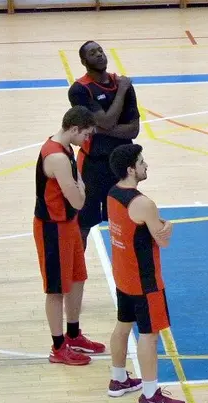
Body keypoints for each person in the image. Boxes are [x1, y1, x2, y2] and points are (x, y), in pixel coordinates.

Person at [105, 144, 186, 403]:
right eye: (141, 162)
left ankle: (118, 379)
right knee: (149, 335)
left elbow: (139, 225)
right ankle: (150, 395)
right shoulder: (144, 203)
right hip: (145, 280)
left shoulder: (113, 194)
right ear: (131, 169)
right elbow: (163, 240)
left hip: (123, 274)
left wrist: (158, 224)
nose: (146, 165)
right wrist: (168, 225)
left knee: (123, 325)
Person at [33, 106, 105, 366]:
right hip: (52, 228)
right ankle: (58, 347)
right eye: (85, 134)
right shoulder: (57, 157)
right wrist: (81, 190)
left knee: (77, 278)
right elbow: (78, 200)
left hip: (68, 223)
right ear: (74, 129)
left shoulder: (66, 148)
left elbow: (78, 187)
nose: (87, 139)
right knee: (56, 289)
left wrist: (80, 187)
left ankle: (73, 335)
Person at [68, 40, 140, 249]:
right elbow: (108, 121)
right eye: (93, 53)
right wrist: (121, 92)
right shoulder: (80, 90)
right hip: (93, 165)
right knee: (83, 224)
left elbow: (133, 130)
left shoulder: (123, 83)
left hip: (122, 165)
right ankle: (77, 267)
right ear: (84, 61)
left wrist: (100, 129)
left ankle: (125, 266)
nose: (99, 54)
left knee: (125, 222)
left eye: (100, 50)